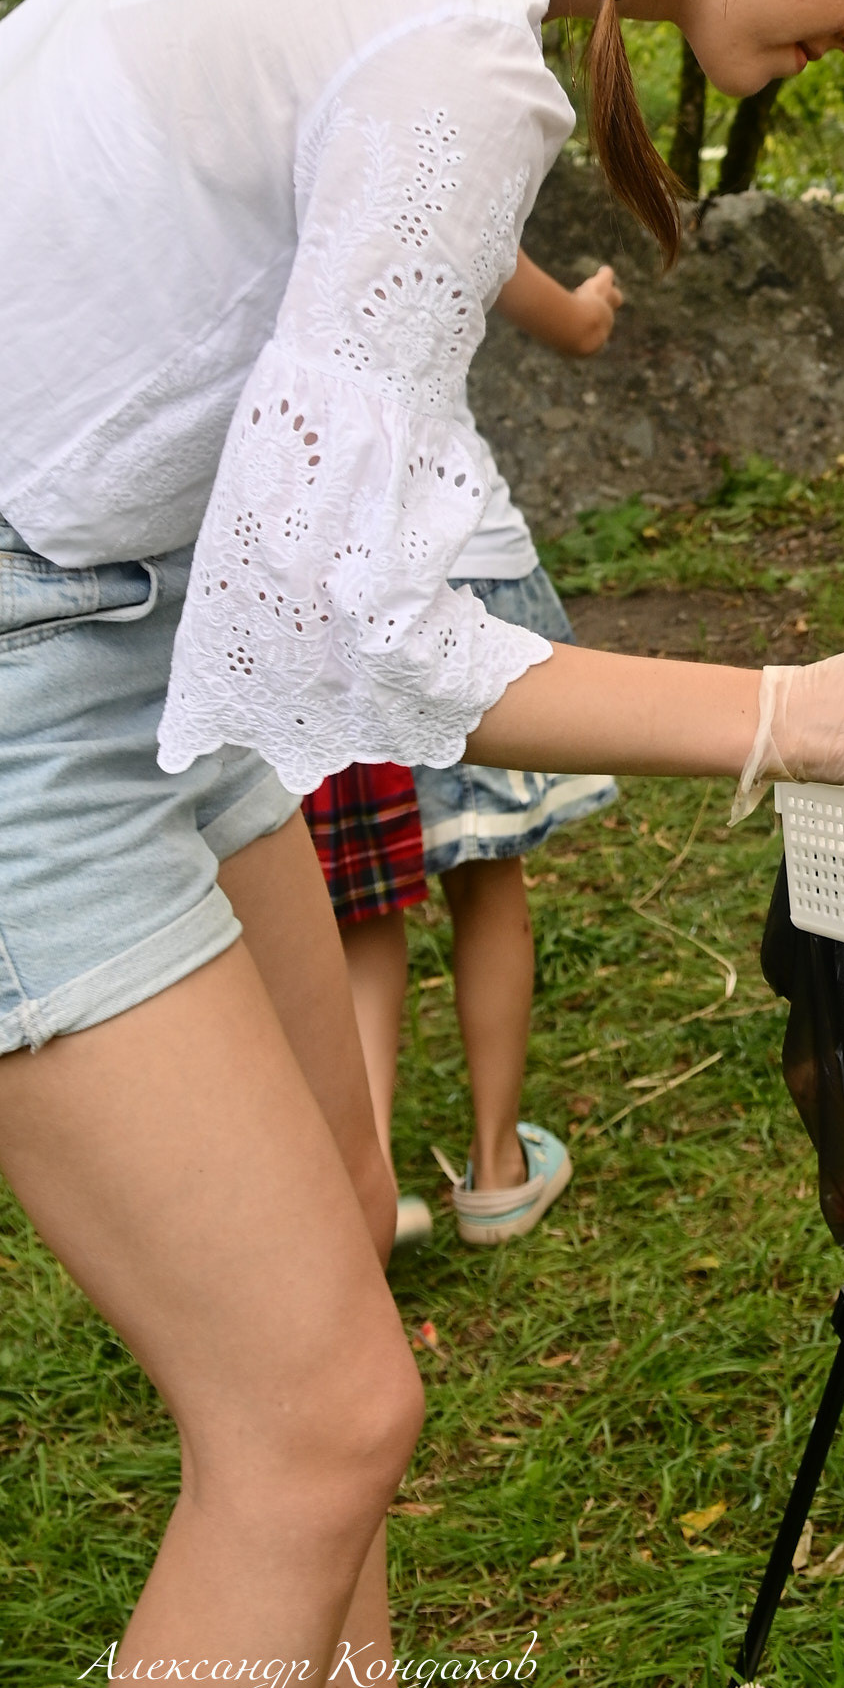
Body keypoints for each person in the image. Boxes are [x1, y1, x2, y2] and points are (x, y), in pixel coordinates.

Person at [0, 0, 844, 1688]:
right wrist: (798, 715)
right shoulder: (459, 37)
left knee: (349, 1252)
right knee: (315, 1418)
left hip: (133, 620)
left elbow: (308, 492)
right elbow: (352, 628)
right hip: (27, 657)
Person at [315, 250, 624, 1253]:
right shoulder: (455, 174)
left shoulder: (288, 174)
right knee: (490, 879)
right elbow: (575, 327)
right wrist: (598, 294)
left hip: (335, 586)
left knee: (363, 909)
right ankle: (496, 1172)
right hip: (468, 566)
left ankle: (362, 1194)